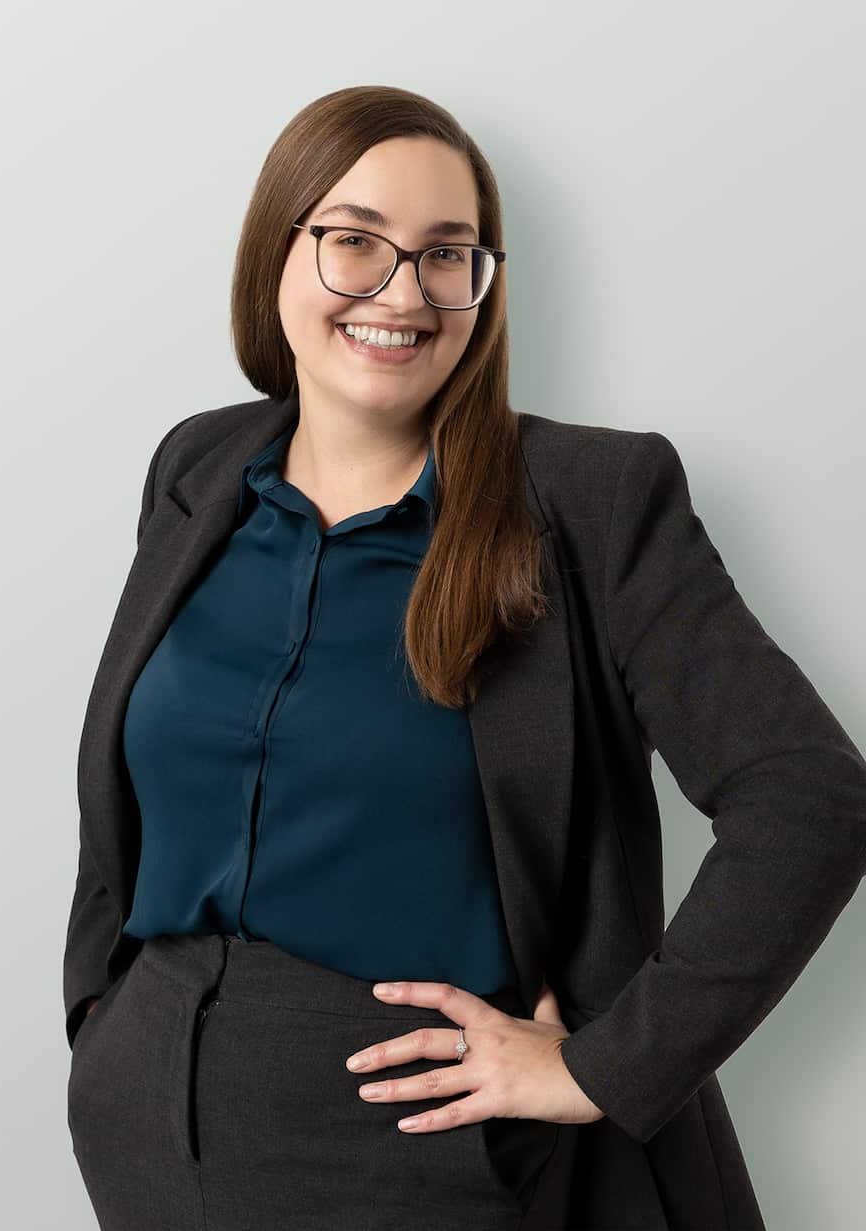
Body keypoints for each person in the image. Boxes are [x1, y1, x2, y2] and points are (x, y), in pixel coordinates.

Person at [62, 85, 865, 1231]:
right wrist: (100, 1008)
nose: (402, 293)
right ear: (275, 252)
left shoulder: (590, 505)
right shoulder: (195, 470)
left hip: (427, 1165)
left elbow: (807, 795)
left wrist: (598, 1066)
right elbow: (131, 781)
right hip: (149, 1135)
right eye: (354, 242)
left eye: (447, 255)